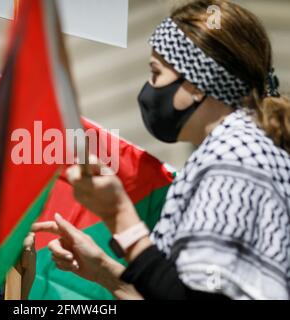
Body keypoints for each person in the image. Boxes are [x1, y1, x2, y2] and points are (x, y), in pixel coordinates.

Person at [34, 0, 290, 300]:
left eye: (156, 73)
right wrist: (102, 271)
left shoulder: (234, 157)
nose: (149, 88)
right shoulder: (236, 150)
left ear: (197, 84)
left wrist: (119, 216)